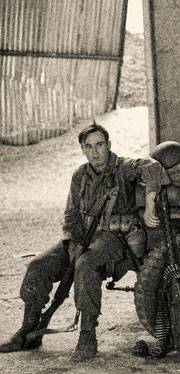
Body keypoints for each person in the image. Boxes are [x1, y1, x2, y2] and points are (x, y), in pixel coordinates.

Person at [0, 123, 168, 361]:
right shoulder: (80, 176)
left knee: (85, 264)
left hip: (115, 240)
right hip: (83, 238)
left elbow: (152, 166)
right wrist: (71, 244)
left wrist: (151, 200)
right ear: (82, 149)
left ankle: (87, 336)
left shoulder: (123, 168)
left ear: (108, 146)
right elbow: (71, 216)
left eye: (99, 145)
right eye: (88, 147)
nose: (94, 152)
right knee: (38, 266)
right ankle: (29, 330)